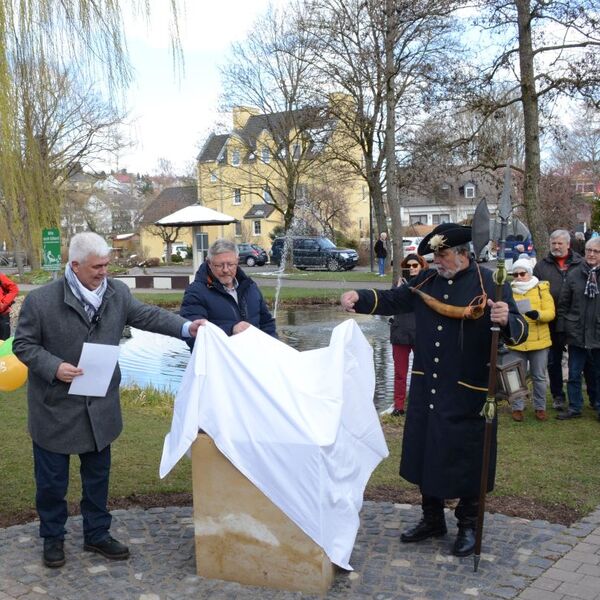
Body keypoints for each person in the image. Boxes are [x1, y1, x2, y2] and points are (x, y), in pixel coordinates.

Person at [13, 232, 206, 569]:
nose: (104, 271)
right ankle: (53, 538)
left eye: (106, 264)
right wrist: (54, 367)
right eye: (97, 266)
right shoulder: (41, 301)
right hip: (54, 408)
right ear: (74, 266)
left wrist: (187, 327)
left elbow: (147, 316)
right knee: (52, 483)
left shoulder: (117, 293)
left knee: (98, 478)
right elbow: (24, 345)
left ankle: (97, 533)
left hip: (100, 408)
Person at [341, 223, 527, 557]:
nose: (437, 262)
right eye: (436, 256)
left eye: (442, 255)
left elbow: (520, 330)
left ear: (462, 254)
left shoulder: (490, 283)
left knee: (468, 457)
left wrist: (507, 319)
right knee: (427, 450)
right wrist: (361, 298)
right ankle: (432, 518)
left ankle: (468, 524)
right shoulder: (425, 280)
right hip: (429, 387)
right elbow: (394, 299)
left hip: (469, 388)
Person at [180, 238, 276, 349]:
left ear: (237, 260)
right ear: (209, 263)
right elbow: (194, 335)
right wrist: (231, 329)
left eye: (230, 264)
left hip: (252, 361)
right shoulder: (196, 292)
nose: (225, 270)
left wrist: (273, 350)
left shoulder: (250, 287)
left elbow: (267, 324)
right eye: (219, 265)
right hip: (218, 364)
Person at [533, 230, 584, 410]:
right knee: (553, 360)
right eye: (553, 243)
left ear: (568, 244)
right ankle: (557, 395)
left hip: (577, 320)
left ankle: (583, 397)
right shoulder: (541, 267)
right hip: (552, 321)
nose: (556, 246)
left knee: (581, 361)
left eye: (559, 243)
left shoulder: (581, 264)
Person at [555, 236, 600, 422]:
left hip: (597, 333)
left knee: (598, 374)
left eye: (596, 251)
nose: (591, 254)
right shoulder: (574, 274)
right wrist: (563, 331)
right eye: (589, 250)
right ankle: (575, 407)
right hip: (576, 333)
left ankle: (598, 405)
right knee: (573, 374)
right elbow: (563, 304)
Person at [506, 258, 555, 422]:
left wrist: (538, 315)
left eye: (522, 273)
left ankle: (540, 407)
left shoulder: (541, 288)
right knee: (514, 377)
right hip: (517, 341)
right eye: (515, 274)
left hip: (539, 341)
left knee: (539, 377)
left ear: (529, 273)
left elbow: (551, 312)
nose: (519, 277)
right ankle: (517, 407)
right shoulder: (509, 290)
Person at [389, 253, 427, 417]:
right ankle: (399, 405)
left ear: (421, 266)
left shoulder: (428, 284)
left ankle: (423, 403)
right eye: (408, 266)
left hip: (421, 333)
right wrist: (398, 289)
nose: (411, 268)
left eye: (415, 265)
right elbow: (390, 303)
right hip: (401, 333)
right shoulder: (399, 286)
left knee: (424, 370)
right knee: (400, 372)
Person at [0, 270, 19, 340]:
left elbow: (14, 289)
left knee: (4, 341)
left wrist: (4, 303)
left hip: (2, 314)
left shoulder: (0, 276)